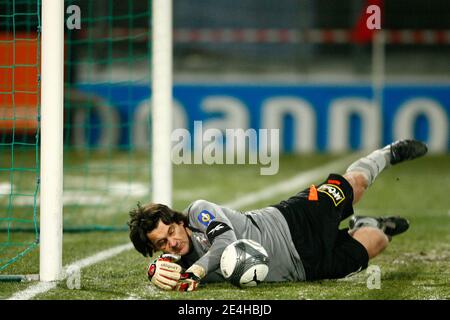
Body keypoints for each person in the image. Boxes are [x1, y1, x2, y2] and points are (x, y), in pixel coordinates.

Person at [127, 139, 428, 291]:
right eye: (162, 245)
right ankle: (367, 224)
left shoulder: (198, 212)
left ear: (178, 222)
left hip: (294, 220)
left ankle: (387, 154)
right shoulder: (180, 264)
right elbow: (167, 273)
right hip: (305, 269)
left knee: (354, 185)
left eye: (171, 233)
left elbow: (225, 245)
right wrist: (157, 274)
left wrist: (196, 272)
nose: (172, 243)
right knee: (378, 241)